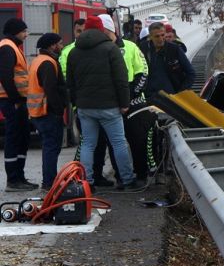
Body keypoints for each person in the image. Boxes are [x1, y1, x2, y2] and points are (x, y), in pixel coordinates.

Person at [66, 15, 140, 190]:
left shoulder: (74, 52)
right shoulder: (110, 49)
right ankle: (127, 179)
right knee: (119, 143)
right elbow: (121, 79)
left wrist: (77, 103)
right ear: (101, 29)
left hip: (85, 108)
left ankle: (87, 182)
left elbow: (70, 82)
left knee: (88, 144)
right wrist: (124, 103)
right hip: (109, 107)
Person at [92, 14, 154, 184]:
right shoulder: (98, 50)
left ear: (109, 30)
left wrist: (130, 96)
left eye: (102, 31)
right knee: (114, 144)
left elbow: (143, 72)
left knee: (138, 141)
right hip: (111, 105)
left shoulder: (131, 47)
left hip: (134, 103)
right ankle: (121, 177)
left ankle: (141, 175)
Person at [0, 18, 36, 191]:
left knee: (22, 138)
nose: (26, 34)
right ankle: (13, 180)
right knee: (14, 139)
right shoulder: (7, 47)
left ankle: (19, 177)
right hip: (11, 101)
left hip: (17, 101)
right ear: (16, 31)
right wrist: (15, 100)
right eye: (24, 31)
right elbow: (5, 76)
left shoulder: (12, 47)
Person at [27, 33, 67, 190]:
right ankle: (49, 182)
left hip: (38, 112)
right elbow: (51, 89)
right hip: (47, 112)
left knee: (49, 147)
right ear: (52, 46)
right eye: (60, 43)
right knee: (51, 148)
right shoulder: (48, 63)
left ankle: (50, 181)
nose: (62, 46)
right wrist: (59, 110)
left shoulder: (38, 60)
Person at [141, 22, 195, 98]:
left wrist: (181, 92)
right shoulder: (143, 48)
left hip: (171, 97)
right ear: (150, 37)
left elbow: (191, 73)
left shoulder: (174, 49)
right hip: (149, 97)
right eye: (157, 36)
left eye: (163, 35)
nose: (160, 39)